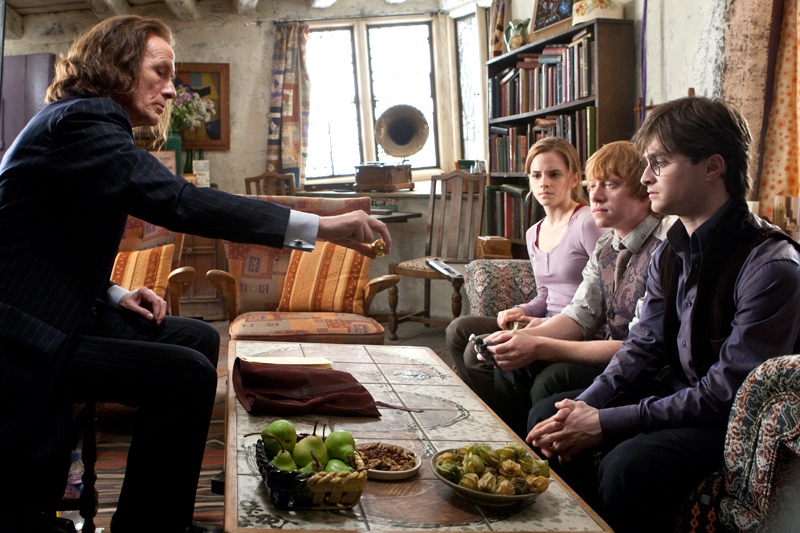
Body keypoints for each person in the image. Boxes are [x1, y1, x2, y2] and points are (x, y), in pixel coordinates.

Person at [0, 15, 392, 533]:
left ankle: (157, 511)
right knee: (185, 376)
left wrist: (114, 293)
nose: (170, 89)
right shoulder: (82, 120)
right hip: (23, 336)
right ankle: (151, 529)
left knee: (197, 336)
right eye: (160, 72)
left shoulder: (78, 122)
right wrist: (324, 226)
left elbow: (45, 242)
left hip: (57, 313)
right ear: (116, 66)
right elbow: (181, 202)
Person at [526, 96, 800, 533]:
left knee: (628, 467)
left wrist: (606, 421)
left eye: (659, 163)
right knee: (549, 416)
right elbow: (642, 347)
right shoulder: (670, 251)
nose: (645, 177)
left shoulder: (771, 265)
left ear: (712, 167)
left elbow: (724, 394)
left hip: (727, 420)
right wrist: (584, 406)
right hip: (679, 392)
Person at [479, 140, 671, 437]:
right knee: (510, 359)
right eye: (592, 185)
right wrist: (520, 338)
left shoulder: (663, 248)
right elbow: (580, 313)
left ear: (643, 190)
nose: (595, 195)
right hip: (607, 350)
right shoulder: (606, 246)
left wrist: (538, 344)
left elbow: (639, 347)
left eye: (610, 184)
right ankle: (510, 447)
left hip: (643, 367)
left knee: (550, 381)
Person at [446, 136, 605, 427]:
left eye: (554, 174)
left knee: (478, 350)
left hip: (576, 328)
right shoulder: (534, 232)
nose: (544, 183)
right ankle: (493, 416)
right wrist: (523, 310)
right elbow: (545, 293)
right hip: (541, 321)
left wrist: (542, 323)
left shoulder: (586, 222)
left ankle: (506, 425)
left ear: (574, 178)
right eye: (536, 175)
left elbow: (602, 293)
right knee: (459, 329)